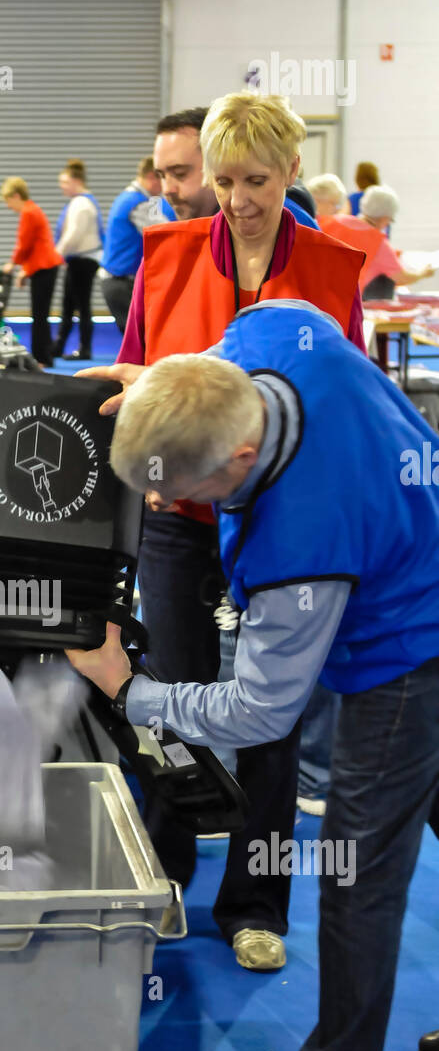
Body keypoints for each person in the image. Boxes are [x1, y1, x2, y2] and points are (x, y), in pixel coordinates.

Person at [67, 298, 439, 1051]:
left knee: (357, 876)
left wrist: (131, 691)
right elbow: (208, 370)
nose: (160, 500)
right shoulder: (275, 331)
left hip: (412, 656)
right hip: (420, 554)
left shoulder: (297, 548)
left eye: (179, 489)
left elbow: (260, 710)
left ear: (240, 459)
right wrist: (155, 388)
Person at [86, 94, 366, 974]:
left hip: (282, 525)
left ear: (290, 173)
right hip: (176, 518)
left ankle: (255, 904)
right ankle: (162, 877)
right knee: (169, 691)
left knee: (270, 719)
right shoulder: (164, 255)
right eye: (224, 179)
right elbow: (130, 376)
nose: (238, 198)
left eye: (257, 180)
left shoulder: (330, 265)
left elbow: (344, 401)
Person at [320, 184, 434, 299]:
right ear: (384, 219)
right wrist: (423, 273)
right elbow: (401, 278)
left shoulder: (332, 221)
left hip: (316, 295)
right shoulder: (378, 243)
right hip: (346, 302)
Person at [0, 176, 63, 365]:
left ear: (16, 195)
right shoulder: (33, 210)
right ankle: (45, 356)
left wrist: (13, 264)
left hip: (43, 267)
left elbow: (24, 244)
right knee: (41, 314)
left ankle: (41, 358)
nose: (8, 206)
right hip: (44, 267)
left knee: (39, 315)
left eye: (8, 201)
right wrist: (25, 270)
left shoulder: (28, 212)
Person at [99, 156, 167, 333]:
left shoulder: (137, 198)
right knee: (143, 339)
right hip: (120, 283)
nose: (166, 187)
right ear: (152, 177)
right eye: (164, 179)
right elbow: (163, 234)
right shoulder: (137, 203)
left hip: (119, 281)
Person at [52, 159, 104, 361]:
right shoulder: (80, 202)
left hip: (83, 260)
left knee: (81, 306)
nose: (61, 187)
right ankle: (58, 346)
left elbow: (73, 234)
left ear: (75, 181)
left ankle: (84, 349)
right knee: (68, 305)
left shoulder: (82, 204)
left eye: (64, 182)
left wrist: (57, 253)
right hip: (78, 260)